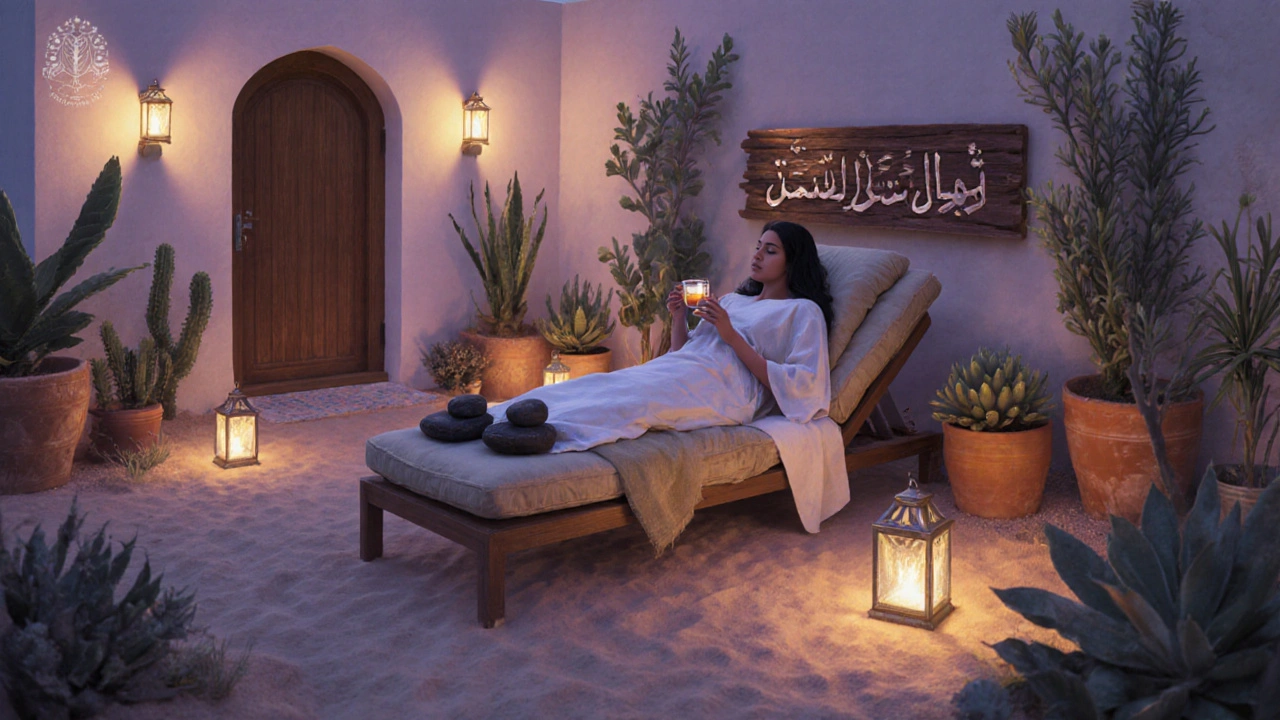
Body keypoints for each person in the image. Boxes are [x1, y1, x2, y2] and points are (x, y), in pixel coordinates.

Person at [492, 220, 836, 454]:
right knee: (606, 384)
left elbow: (802, 386)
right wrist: (677, 318)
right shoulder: (733, 300)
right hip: (685, 370)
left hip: (728, 391)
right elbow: (684, 353)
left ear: (793, 262)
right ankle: (497, 417)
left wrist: (731, 336)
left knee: (635, 402)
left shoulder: (802, 311)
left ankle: (543, 435)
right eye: (759, 246)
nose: (757, 255)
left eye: (771, 251)